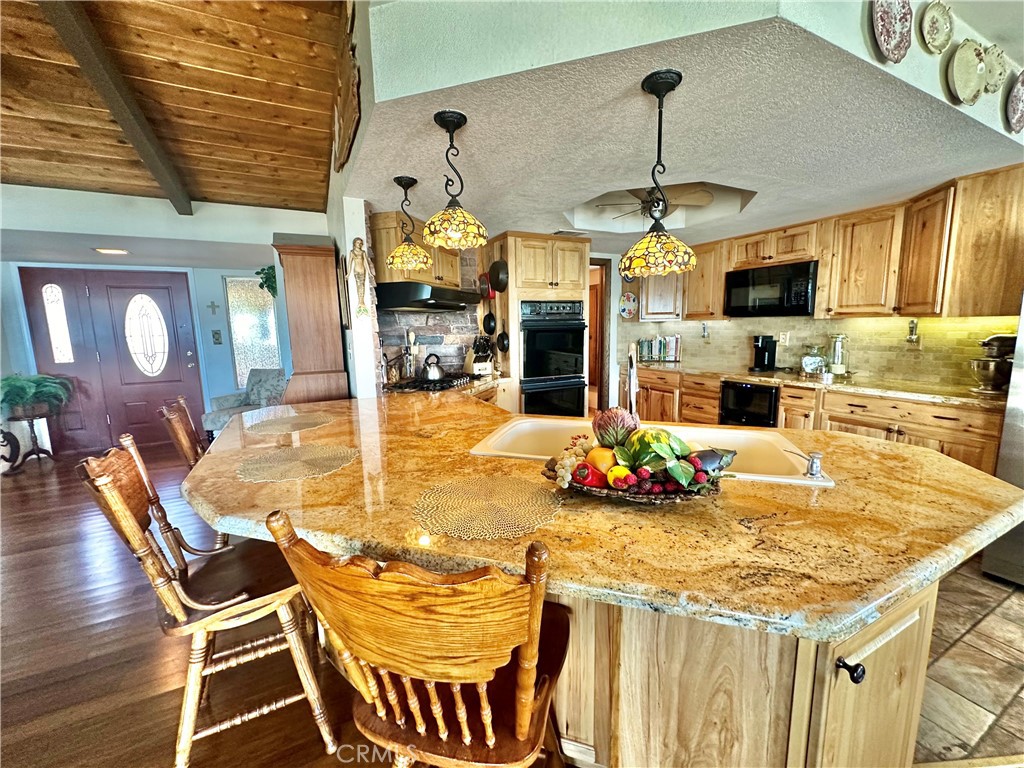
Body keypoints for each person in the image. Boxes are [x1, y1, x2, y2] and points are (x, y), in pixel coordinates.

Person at [348, 237, 370, 317]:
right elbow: (350, 263)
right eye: (358, 243)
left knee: (362, 285)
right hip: (356, 271)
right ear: (354, 243)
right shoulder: (352, 252)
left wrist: (370, 272)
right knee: (358, 285)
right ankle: (360, 302)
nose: (359, 244)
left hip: (362, 271)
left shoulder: (363, 252)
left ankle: (362, 302)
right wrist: (348, 273)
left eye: (361, 243)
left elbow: (366, 263)